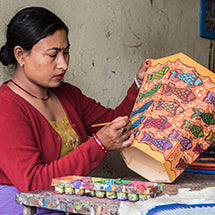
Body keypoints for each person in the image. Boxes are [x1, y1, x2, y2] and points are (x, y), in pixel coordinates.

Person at [0, 6, 151, 215]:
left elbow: (115, 122)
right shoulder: (6, 107)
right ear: (20, 55)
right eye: (53, 55)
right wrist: (98, 145)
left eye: (66, 52)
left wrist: (139, 86)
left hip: (63, 203)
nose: (63, 64)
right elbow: (33, 182)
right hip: (24, 206)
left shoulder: (67, 94)